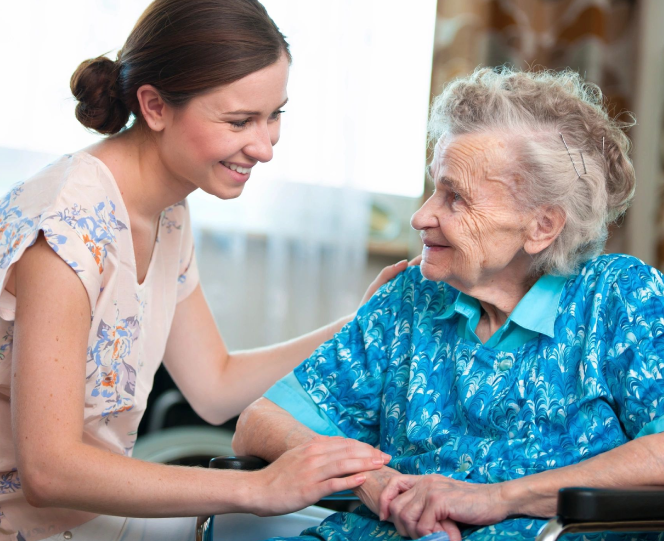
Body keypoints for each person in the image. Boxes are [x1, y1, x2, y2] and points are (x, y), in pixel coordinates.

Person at [0, 1, 415, 539]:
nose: (265, 146)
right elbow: (49, 471)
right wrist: (259, 488)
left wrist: (360, 322)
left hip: (78, 522)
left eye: (276, 115)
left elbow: (214, 385)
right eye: (239, 121)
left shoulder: (167, 209)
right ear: (154, 107)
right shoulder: (67, 226)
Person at [233, 67, 664, 541]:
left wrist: (496, 498)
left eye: (455, 197)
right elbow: (260, 423)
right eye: (433, 188)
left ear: (542, 226)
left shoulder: (619, 296)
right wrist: (373, 482)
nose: (422, 216)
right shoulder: (411, 297)